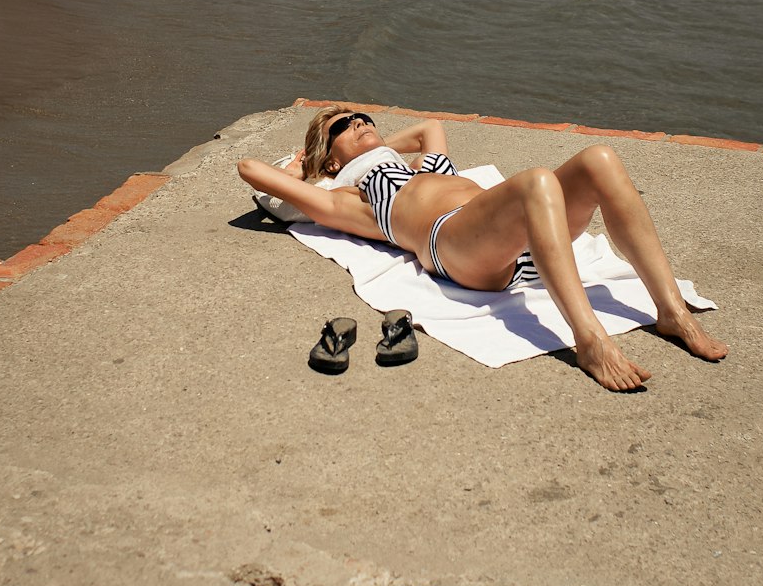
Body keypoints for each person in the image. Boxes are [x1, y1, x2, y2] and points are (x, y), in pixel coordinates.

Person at [237, 108, 728, 391]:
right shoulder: (347, 197)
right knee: (536, 181)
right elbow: (250, 170)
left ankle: (671, 311)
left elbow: (429, 127)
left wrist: (371, 140)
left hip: (520, 245)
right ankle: (590, 341)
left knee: (600, 159)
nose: (361, 122)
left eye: (365, 117)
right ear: (329, 154)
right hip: (456, 248)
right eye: (344, 125)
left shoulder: (423, 167)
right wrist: (307, 167)